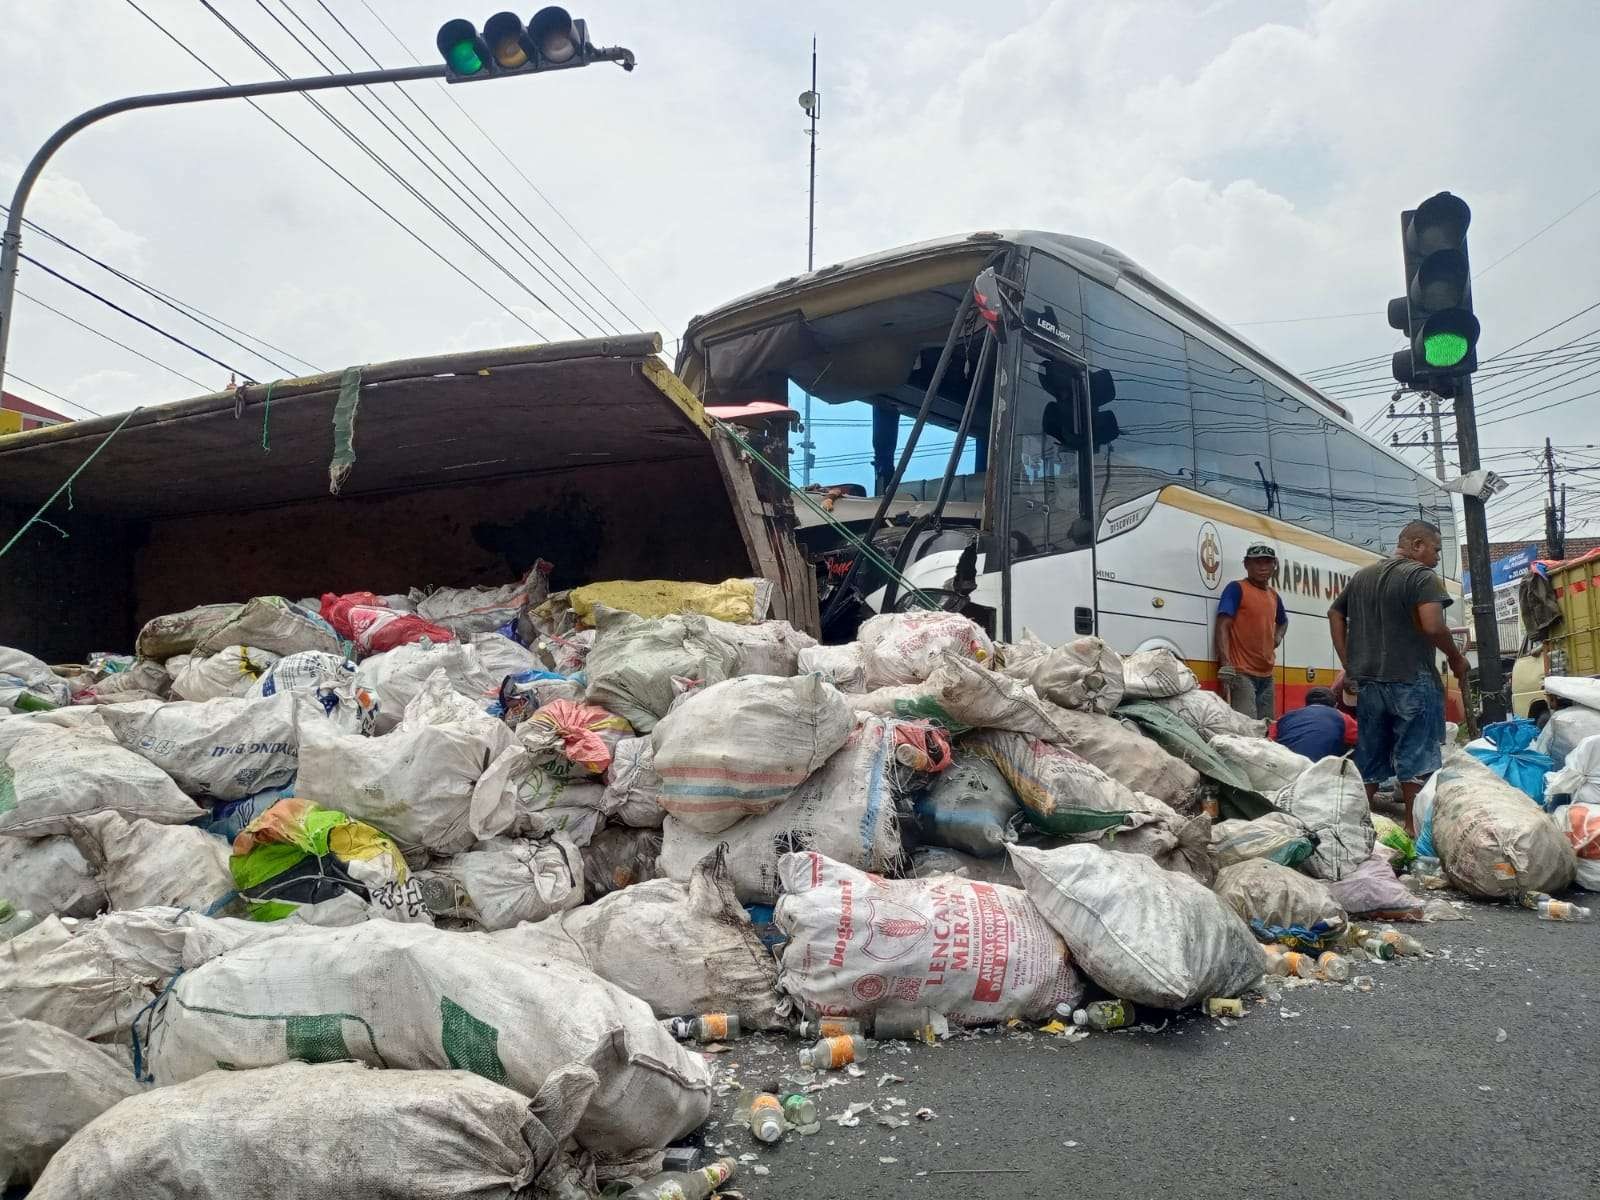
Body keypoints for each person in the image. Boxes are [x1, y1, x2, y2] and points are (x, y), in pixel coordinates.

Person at [1328, 519, 1470, 836]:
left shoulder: (1363, 576)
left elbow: (1334, 614)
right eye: (1434, 549)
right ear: (1416, 545)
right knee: (1417, 754)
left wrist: (1349, 663)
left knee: (1370, 753)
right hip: (1411, 677)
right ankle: (1413, 828)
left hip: (1369, 682)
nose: (1435, 558)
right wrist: (1456, 657)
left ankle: (1354, 828)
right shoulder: (1421, 576)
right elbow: (1433, 626)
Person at [1216, 544, 1288, 719]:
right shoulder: (1236, 588)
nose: (1262, 567)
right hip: (1242, 673)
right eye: (1256, 562)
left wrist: (1277, 637)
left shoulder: (1273, 595)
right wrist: (1226, 663)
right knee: (1247, 727)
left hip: (1267, 674)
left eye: (1267, 562)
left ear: (1274, 565)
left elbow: (1283, 621)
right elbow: (1222, 625)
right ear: (1246, 565)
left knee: (1267, 727)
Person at [1270, 687, 1357, 761]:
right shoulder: (1342, 717)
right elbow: (1361, 739)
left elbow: (1270, 740)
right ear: (1335, 705)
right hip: (1319, 769)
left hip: (1285, 768)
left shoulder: (1285, 717)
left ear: (1306, 704)